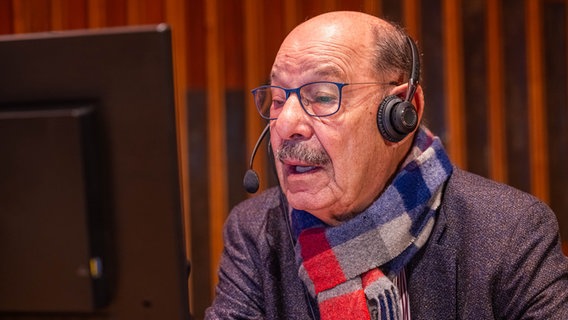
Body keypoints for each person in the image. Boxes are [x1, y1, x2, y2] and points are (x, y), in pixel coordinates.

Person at [205, 11, 568, 320]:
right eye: (279, 99)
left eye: (323, 97)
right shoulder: (255, 232)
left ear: (399, 116)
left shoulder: (509, 231)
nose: (285, 125)